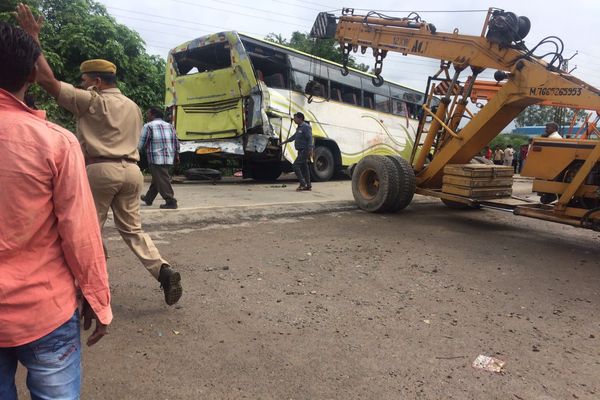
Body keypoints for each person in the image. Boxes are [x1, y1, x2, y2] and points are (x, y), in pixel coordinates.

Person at [16, 4, 182, 305]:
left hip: (100, 171)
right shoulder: (133, 106)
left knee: (87, 231)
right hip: (132, 172)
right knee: (133, 230)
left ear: (96, 81)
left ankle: (93, 289)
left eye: (83, 80)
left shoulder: (90, 101)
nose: (80, 84)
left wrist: (33, 40)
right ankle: (163, 270)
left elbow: (46, 81)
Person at [0, 21, 112, 399]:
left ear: (94, 80)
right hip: (43, 311)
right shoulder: (57, 143)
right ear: (32, 71)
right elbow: (79, 233)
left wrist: (33, 43)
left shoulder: (75, 116)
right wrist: (98, 299)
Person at [139, 106, 180, 209]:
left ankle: (170, 200)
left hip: (156, 157)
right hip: (169, 157)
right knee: (158, 178)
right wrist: (176, 154)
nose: (147, 115)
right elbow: (176, 141)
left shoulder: (148, 126)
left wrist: (134, 152)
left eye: (148, 113)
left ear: (153, 115)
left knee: (162, 179)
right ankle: (149, 198)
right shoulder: (170, 126)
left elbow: (141, 144)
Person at [282, 112, 314, 191]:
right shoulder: (299, 128)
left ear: (300, 118)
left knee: (295, 166)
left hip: (305, 150)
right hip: (300, 151)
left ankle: (303, 184)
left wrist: (310, 149)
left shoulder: (306, 127)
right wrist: (284, 142)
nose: (294, 119)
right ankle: (308, 185)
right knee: (304, 168)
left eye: (295, 118)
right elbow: (294, 137)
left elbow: (310, 139)